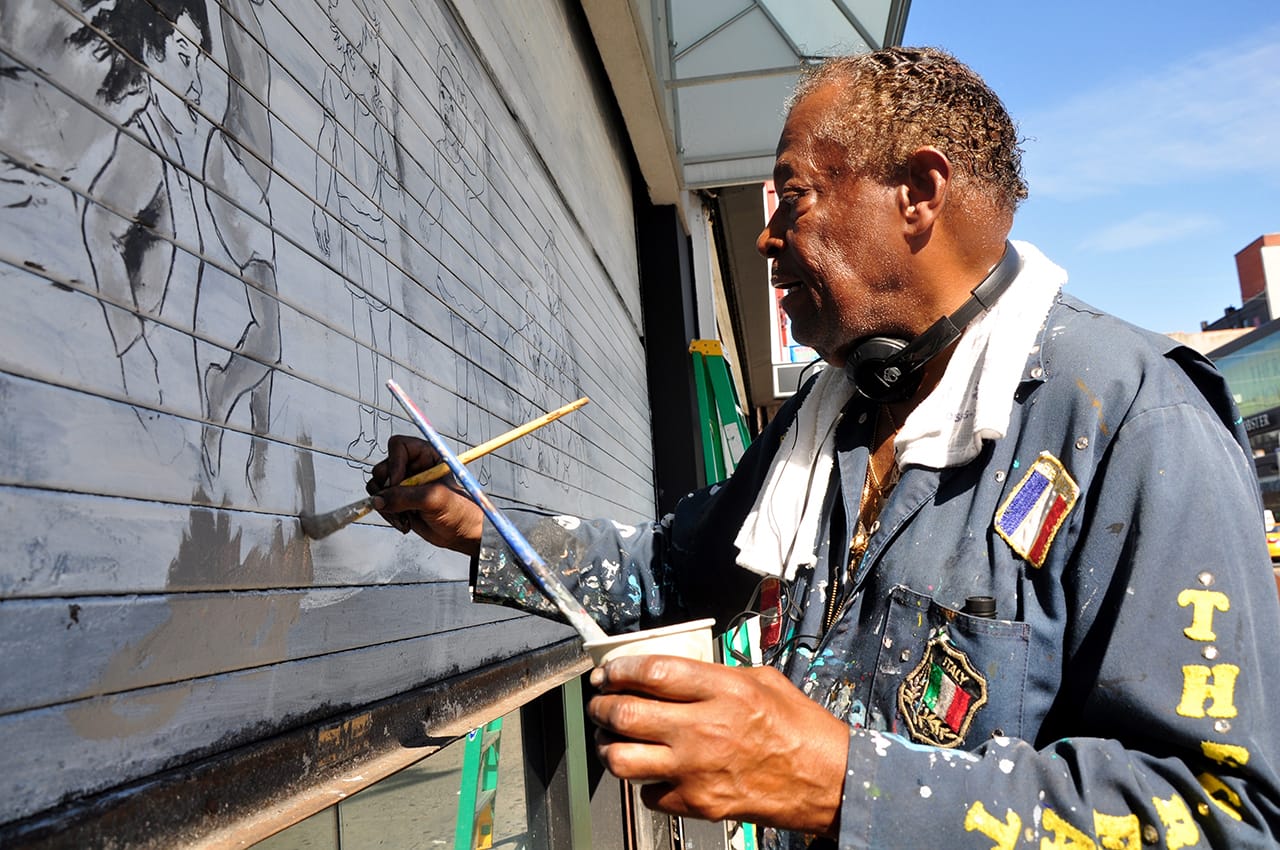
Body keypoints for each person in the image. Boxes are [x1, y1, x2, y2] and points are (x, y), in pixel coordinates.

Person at [367, 47, 1280, 848]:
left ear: (917, 194)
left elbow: (1222, 813)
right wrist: (476, 526)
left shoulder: (1132, 418)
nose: (765, 237)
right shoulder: (833, 412)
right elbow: (672, 573)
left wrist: (845, 783)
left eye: (792, 196)